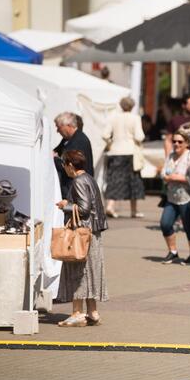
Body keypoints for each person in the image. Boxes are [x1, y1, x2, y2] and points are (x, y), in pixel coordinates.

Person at [55, 150, 108, 327]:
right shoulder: (90, 178)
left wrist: (66, 205)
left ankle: (77, 313)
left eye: (64, 165)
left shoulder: (78, 181)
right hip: (93, 232)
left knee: (78, 272)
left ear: (70, 165)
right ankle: (92, 312)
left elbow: (84, 208)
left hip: (82, 234)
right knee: (89, 272)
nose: (64, 169)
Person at [160, 129, 190, 266]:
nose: (176, 144)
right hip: (171, 196)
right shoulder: (171, 156)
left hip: (188, 196)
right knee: (165, 224)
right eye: (174, 141)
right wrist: (169, 177)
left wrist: (174, 177)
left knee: (189, 226)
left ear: (187, 143)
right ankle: (173, 252)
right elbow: (163, 173)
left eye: (180, 141)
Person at [102, 97, 146, 219]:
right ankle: (134, 210)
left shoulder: (113, 117)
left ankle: (110, 206)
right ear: (132, 106)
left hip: (115, 151)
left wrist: (111, 143)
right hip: (130, 151)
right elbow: (139, 136)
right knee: (133, 181)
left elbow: (105, 134)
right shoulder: (135, 118)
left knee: (114, 179)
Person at [53, 112, 94, 199]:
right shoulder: (67, 139)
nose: (57, 131)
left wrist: (55, 159)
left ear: (68, 125)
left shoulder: (79, 140)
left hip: (78, 188)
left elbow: (70, 165)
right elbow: (56, 151)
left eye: (58, 127)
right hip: (70, 186)